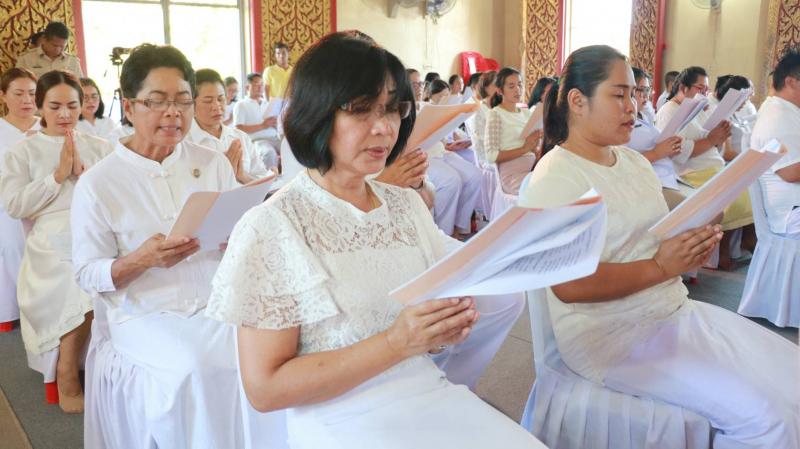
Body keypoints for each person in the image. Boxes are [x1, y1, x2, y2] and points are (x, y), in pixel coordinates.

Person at [205, 31, 544, 449]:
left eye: (393, 109)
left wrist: (439, 326)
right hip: (340, 417)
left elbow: (433, 305)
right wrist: (396, 342)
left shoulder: (404, 205)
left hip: (424, 390)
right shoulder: (274, 225)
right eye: (361, 110)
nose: (383, 128)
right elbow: (266, 388)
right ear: (317, 113)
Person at [522, 44, 800, 448]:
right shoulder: (556, 175)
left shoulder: (632, 161)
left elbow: (665, 216)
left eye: (634, 94)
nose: (632, 106)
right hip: (611, 335)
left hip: (669, 309)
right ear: (577, 101)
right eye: (618, 95)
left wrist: (704, 222)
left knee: (790, 376)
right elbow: (569, 285)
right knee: (766, 420)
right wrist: (660, 267)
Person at [71, 44, 281, 449]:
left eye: (183, 101)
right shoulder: (99, 182)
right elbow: (85, 273)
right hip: (145, 308)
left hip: (216, 297)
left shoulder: (212, 161)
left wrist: (237, 233)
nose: (174, 113)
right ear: (129, 107)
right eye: (158, 102)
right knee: (197, 367)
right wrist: (140, 260)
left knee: (271, 348)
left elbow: (235, 234)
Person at [0, 70, 113, 413]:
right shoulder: (24, 152)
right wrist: (57, 176)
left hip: (97, 229)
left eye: (73, 105)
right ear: (40, 106)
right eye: (55, 106)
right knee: (79, 279)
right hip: (52, 236)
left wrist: (88, 177)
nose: (65, 114)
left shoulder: (102, 146)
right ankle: (66, 374)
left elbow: (120, 194)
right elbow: (15, 204)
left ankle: (112, 369)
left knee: (117, 268)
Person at [656, 66, 752, 269]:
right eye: (700, 88)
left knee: (748, 188)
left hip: (711, 166)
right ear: (683, 87)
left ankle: (737, 246)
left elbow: (711, 142)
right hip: (690, 172)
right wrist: (711, 140)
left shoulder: (698, 110)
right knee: (732, 196)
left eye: (706, 90)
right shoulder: (669, 111)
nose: (704, 94)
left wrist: (719, 137)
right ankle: (723, 252)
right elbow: (678, 151)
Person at [0, 68, 39, 330]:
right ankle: (14, 310)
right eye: (19, 93)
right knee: (13, 250)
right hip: (8, 206)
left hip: (46, 204)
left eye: (32, 93)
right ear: (3, 96)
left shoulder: (46, 125)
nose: (27, 99)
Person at [186, 68, 272, 183]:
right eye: (208, 101)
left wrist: (242, 177)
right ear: (191, 104)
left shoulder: (241, 138)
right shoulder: (184, 143)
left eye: (221, 99)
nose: (217, 106)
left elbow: (261, 179)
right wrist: (222, 173)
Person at [750, 48, 800, 239]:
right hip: (791, 213)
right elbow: (791, 172)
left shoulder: (788, 111)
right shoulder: (778, 116)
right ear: (790, 82)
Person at [626, 67, 687, 210]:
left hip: (668, 177)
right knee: (705, 213)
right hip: (649, 183)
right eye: (642, 90)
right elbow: (621, 161)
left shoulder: (644, 116)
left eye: (648, 90)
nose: (646, 96)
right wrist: (657, 153)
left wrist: (669, 149)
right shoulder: (620, 123)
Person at [425, 80, 481, 237]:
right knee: (452, 180)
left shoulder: (442, 110)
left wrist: (450, 143)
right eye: (441, 95)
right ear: (431, 94)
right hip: (426, 153)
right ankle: (445, 232)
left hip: (442, 150)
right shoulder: (422, 108)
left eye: (446, 95)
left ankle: (460, 224)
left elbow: (444, 138)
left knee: (474, 175)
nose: (444, 98)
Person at [484, 68, 542, 194]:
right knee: (539, 194)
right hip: (512, 173)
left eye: (520, 85)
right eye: (511, 86)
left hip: (533, 167)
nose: (517, 90)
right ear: (500, 90)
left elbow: (531, 146)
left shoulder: (526, 113)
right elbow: (491, 156)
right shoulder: (496, 114)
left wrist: (535, 146)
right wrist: (525, 149)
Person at [234, 72, 279, 169]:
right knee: (269, 153)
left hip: (276, 137)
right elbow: (238, 128)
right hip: (257, 140)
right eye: (256, 85)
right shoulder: (241, 105)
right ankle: (271, 181)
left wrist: (276, 124)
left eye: (262, 85)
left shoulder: (268, 104)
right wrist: (263, 125)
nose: (260, 88)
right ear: (247, 87)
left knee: (292, 148)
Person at [15, 22, 83, 79]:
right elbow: (18, 83)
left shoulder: (72, 61)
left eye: (62, 46)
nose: (58, 49)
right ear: (44, 39)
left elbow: (81, 85)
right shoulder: (26, 59)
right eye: (55, 45)